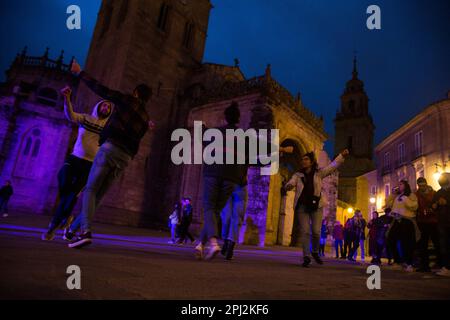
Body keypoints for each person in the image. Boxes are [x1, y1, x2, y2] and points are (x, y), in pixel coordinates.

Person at [67, 60, 155, 249]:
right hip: (125, 159)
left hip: (109, 149)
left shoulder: (127, 100)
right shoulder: (146, 117)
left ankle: (86, 231)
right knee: (98, 196)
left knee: (90, 189)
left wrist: (79, 73)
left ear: (136, 93)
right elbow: (138, 138)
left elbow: (101, 90)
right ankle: (74, 229)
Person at [42, 87, 113, 241]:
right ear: (98, 106)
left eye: (108, 107)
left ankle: (52, 227)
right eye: (104, 105)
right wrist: (67, 98)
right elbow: (71, 116)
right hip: (74, 158)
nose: (106, 108)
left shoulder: (108, 128)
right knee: (63, 180)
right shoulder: (86, 118)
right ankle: (66, 217)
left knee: (72, 195)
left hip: (89, 165)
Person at [285, 148, 349, 267]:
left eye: (306, 159)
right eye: (302, 159)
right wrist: (288, 186)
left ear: (311, 161)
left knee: (316, 232)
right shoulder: (297, 175)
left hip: (316, 206)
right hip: (302, 207)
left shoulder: (318, 174)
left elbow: (332, 166)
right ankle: (306, 256)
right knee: (305, 232)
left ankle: (315, 251)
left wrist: (341, 156)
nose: (303, 161)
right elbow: (291, 182)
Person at [387, 180, 419, 272]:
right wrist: (392, 195)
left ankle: (409, 263)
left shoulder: (410, 195)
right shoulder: (397, 196)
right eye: (398, 185)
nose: (399, 186)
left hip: (407, 220)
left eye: (401, 184)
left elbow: (414, 206)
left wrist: (405, 198)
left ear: (406, 186)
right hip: (397, 220)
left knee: (407, 242)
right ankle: (398, 261)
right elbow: (389, 204)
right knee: (390, 239)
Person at [415, 177, 440, 272]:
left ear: (426, 184)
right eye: (420, 185)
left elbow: (436, 204)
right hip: (422, 221)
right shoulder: (416, 194)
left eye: (423, 185)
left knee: (436, 242)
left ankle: (440, 263)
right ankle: (425, 266)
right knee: (423, 244)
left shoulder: (433, 193)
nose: (422, 187)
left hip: (433, 220)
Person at [220, 182, 248, 260]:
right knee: (228, 217)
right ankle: (227, 243)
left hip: (237, 185)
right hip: (231, 185)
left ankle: (229, 246)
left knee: (233, 218)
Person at [432, 173, 450, 277]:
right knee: (444, 245)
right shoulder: (439, 192)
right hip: (442, 222)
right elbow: (433, 205)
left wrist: (446, 202)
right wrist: (435, 205)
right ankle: (446, 267)